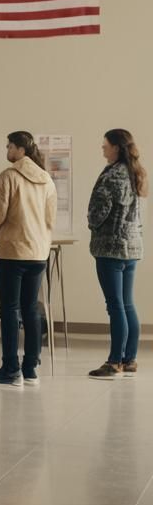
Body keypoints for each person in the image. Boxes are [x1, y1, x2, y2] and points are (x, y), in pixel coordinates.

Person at [0, 132, 57, 388]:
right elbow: (51, 219)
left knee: (9, 310)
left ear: (20, 150)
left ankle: (10, 368)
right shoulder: (46, 179)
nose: (7, 149)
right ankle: (31, 369)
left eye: (9, 146)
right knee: (31, 309)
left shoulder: (8, 177)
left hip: (12, 251)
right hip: (38, 252)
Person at [87, 129, 147, 379]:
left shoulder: (112, 175)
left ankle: (114, 362)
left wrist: (91, 221)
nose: (102, 149)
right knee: (127, 303)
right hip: (131, 247)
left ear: (116, 147)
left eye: (105, 146)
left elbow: (99, 211)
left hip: (110, 248)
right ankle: (130, 358)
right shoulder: (135, 173)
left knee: (115, 306)